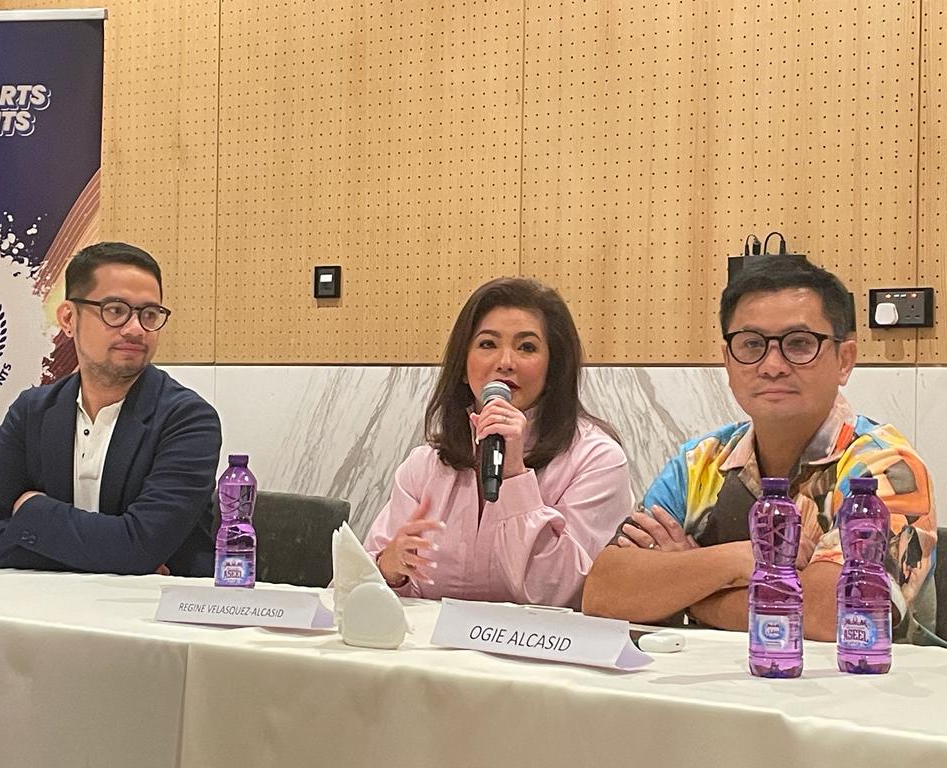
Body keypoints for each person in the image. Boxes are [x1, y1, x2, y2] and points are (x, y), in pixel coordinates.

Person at [582, 257, 939, 643]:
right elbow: (604, 594)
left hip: (861, 680)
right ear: (727, 360)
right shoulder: (700, 462)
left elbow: (832, 614)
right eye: (751, 344)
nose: (772, 365)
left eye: (799, 344)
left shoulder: (885, 469)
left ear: (844, 360)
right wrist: (739, 558)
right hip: (713, 678)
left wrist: (688, 589)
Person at [364, 277, 634, 609]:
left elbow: (566, 595)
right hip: (433, 642)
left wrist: (515, 475)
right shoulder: (424, 466)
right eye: (488, 344)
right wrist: (390, 571)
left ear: (553, 369)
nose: (505, 361)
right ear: (463, 368)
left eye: (527, 347)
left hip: (545, 643)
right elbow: (356, 589)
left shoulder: (597, 460)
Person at [0, 242, 221, 576]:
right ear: (69, 318)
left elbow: (139, 547)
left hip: (155, 607)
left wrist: (33, 510)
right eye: (115, 310)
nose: (135, 329)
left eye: (149, 314)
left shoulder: (188, 420)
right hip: (47, 603)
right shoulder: (31, 412)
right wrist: (113, 554)